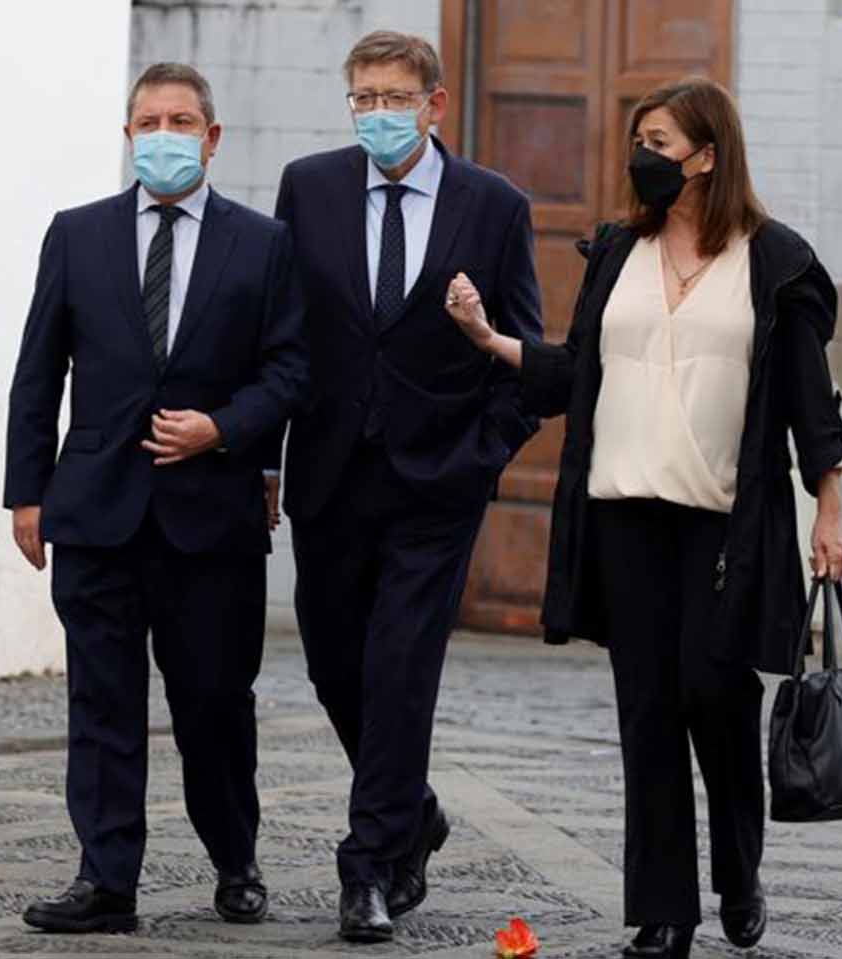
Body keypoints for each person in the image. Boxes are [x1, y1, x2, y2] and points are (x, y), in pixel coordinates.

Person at [444, 77, 842, 959]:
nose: (643, 156)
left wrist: (828, 509)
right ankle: (662, 913)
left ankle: (738, 869)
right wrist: (488, 339)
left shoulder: (774, 262)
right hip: (622, 514)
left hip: (721, 526)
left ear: (706, 155)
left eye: (659, 141)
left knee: (715, 697)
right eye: (639, 140)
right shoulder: (617, 252)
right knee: (647, 713)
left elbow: (809, 403)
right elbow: (576, 373)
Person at [3, 63, 308, 934]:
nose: (163, 134)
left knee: (213, 700)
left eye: (181, 120)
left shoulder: (262, 244)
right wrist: (27, 493)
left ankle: (234, 860)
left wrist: (223, 429)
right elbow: (39, 370)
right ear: (128, 135)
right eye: (148, 121)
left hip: (210, 516)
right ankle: (106, 881)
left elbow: (289, 369)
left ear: (212, 138)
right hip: (95, 507)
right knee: (101, 702)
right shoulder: (77, 234)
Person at [267, 31, 543, 944]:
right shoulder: (309, 187)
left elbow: (524, 353)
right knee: (333, 662)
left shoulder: (493, 206)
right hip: (329, 470)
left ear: (433, 104)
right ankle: (412, 809)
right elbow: (284, 335)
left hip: (437, 481)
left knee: (399, 667)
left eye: (393, 97)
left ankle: (370, 863)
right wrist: (267, 458)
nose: (376, 114)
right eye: (361, 98)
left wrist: (482, 457)